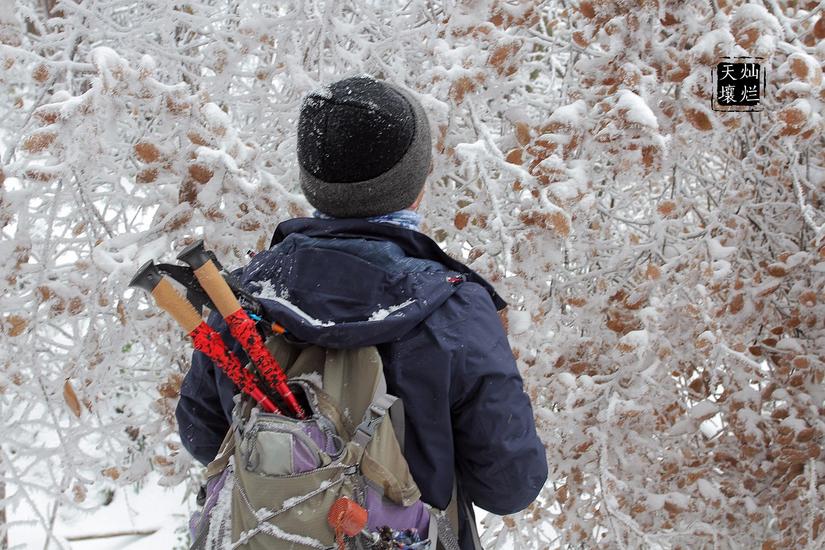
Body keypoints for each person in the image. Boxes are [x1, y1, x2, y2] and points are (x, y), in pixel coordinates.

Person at [176, 75, 547, 550]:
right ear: (416, 184)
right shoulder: (452, 309)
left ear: (312, 180)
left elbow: (203, 436)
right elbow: (510, 483)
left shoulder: (241, 297)